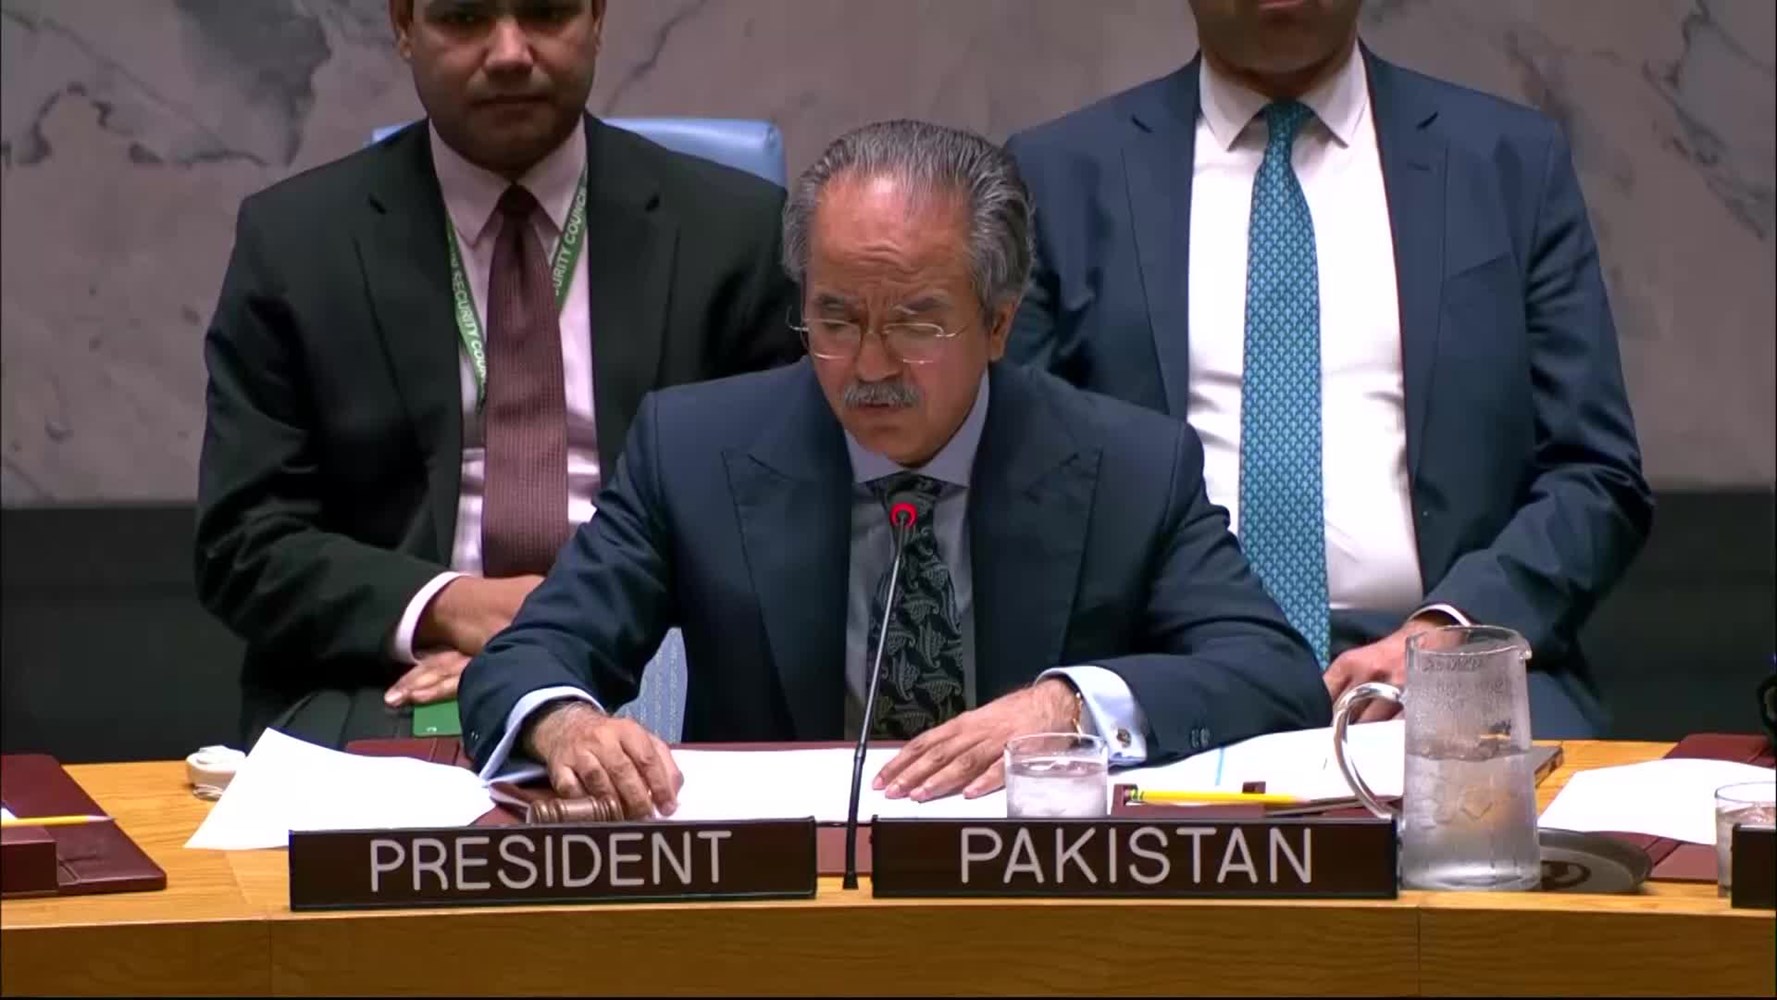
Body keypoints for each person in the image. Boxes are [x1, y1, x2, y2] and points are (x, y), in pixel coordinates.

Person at [457, 119, 1328, 819]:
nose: (870, 366)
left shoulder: (1129, 466)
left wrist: (1067, 706)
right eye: (835, 320)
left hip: (1034, 893)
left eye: (916, 323)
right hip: (781, 897)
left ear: (998, 323)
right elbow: (530, 655)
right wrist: (563, 723)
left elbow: (1274, 673)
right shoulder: (692, 450)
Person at [1003, 0, 1652, 736]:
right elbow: (1025, 482)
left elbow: (1595, 473)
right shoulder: (1060, 175)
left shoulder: (1507, 163)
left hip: (1452, 662)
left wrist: (1453, 629)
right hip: (1166, 676)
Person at [194, 0, 801, 748]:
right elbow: (245, 542)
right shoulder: (295, 244)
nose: (510, 52)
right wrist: (451, 609)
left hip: (660, 656)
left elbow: (774, 521)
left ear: (596, 17)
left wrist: (559, 640)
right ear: (404, 25)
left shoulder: (736, 234)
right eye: (465, 18)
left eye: (545, 13)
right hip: (396, 674)